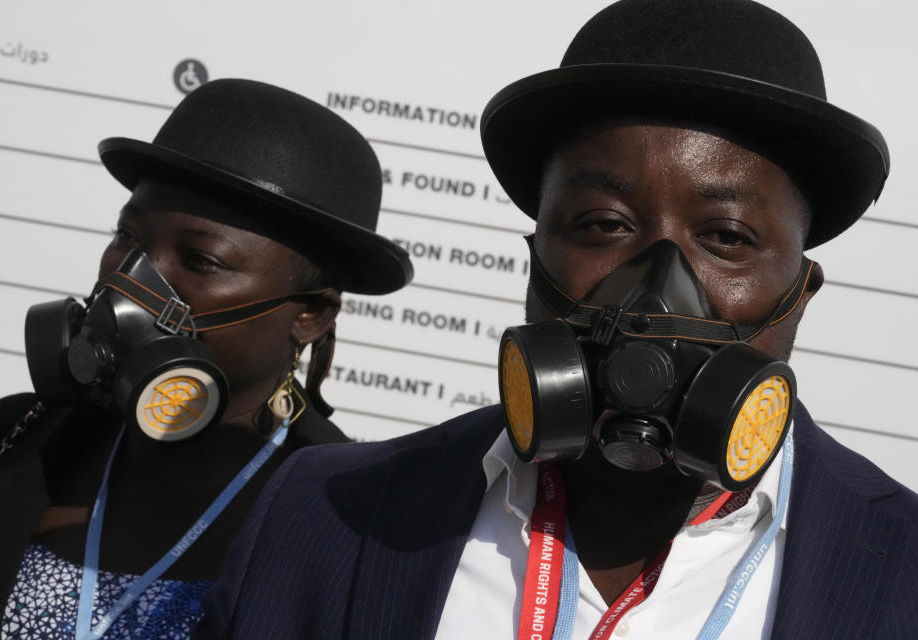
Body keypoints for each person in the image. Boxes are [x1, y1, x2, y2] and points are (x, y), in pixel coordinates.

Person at [196, 2, 918, 639]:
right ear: (535, 253)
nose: (655, 289)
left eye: (726, 237)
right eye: (602, 224)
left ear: (803, 288)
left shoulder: (903, 571)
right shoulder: (322, 513)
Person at [0, 78, 412, 640]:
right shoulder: (5, 444)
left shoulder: (348, 526)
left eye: (200, 260)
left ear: (311, 314)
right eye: (127, 235)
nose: (130, 278)